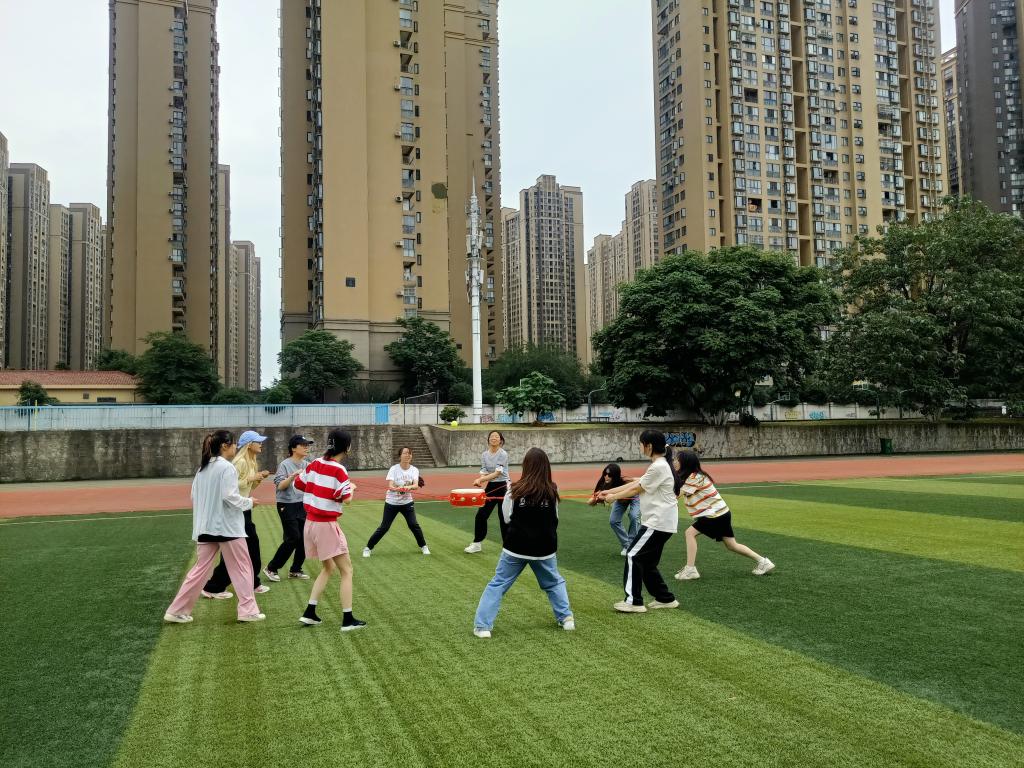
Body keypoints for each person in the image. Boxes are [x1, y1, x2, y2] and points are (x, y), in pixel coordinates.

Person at [164, 430, 265, 623]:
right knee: (243, 567)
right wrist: (249, 502)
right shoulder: (226, 468)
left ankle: (177, 610)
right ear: (225, 446)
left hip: (205, 527)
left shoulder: (202, 469)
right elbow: (229, 497)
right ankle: (248, 611)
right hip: (227, 528)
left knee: (199, 571)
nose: (235, 447)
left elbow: (194, 496)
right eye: (233, 444)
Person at [472, 447, 574, 638]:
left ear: (525, 466)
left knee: (498, 584)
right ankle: (566, 618)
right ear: (546, 467)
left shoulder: (513, 489)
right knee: (554, 583)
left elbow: (507, 517)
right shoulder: (553, 489)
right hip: (544, 548)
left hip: (516, 547)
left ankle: (482, 626)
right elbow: (555, 518)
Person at [598, 429, 681, 613]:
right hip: (662, 522)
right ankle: (665, 598)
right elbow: (637, 483)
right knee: (647, 562)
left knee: (632, 555)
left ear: (649, 446)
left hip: (657, 522)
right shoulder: (659, 465)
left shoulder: (659, 466)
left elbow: (637, 489)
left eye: (641, 444)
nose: (640, 447)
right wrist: (609, 491)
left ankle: (633, 602)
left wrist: (613, 497)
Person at [294, 429, 367, 632]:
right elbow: (347, 499)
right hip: (326, 524)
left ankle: (310, 612)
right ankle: (348, 619)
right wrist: (352, 488)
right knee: (347, 570)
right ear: (347, 447)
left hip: (310, 523)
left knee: (328, 568)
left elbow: (299, 483)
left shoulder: (315, 463)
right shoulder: (339, 470)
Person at [673, 451, 775, 580]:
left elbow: (676, 495)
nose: (674, 462)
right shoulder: (692, 476)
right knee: (731, 545)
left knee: (690, 533)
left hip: (714, 514)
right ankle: (763, 562)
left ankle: (690, 569)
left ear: (685, 462)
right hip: (721, 513)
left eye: (677, 460)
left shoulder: (694, 478)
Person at [201, 430, 271, 598]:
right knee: (244, 549)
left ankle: (249, 583)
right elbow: (232, 486)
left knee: (247, 548)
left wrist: (257, 479)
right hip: (237, 510)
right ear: (249, 445)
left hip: (243, 509)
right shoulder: (240, 462)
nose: (261, 444)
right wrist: (252, 478)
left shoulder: (252, 461)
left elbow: (248, 488)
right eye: (258, 441)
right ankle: (215, 586)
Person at [263, 435, 315, 582]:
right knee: (293, 537)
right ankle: (271, 568)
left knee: (304, 538)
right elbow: (280, 486)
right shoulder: (285, 465)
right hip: (286, 504)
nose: (306, 447)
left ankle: (295, 570)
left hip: (302, 504)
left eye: (307, 445)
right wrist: (293, 476)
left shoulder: (307, 465)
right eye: (303, 445)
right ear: (293, 448)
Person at [362, 446, 430, 557]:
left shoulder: (414, 470)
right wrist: (398, 488)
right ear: (400, 456)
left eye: (409, 453)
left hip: (407, 503)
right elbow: (390, 486)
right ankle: (368, 548)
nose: (408, 455)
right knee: (384, 527)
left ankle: (423, 546)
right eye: (405, 453)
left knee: (413, 525)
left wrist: (408, 487)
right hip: (392, 502)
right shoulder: (394, 469)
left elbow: (415, 485)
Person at [463, 430, 510, 553]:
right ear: (488, 439)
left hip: (503, 486)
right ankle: (477, 543)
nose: (494, 438)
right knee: (481, 515)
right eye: (492, 436)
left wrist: (481, 479)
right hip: (491, 486)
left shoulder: (503, 454)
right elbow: (484, 470)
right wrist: (481, 480)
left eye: (496, 436)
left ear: (501, 440)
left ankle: (508, 546)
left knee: (503, 517)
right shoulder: (484, 454)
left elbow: (497, 473)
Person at [587, 463, 640, 555]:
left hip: (633, 496)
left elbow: (638, 481)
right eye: (605, 474)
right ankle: (627, 545)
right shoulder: (603, 483)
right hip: (620, 499)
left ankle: (633, 544)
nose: (606, 476)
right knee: (613, 521)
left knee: (634, 516)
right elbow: (591, 500)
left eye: (610, 475)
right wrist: (594, 498)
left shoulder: (624, 481)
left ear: (615, 476)